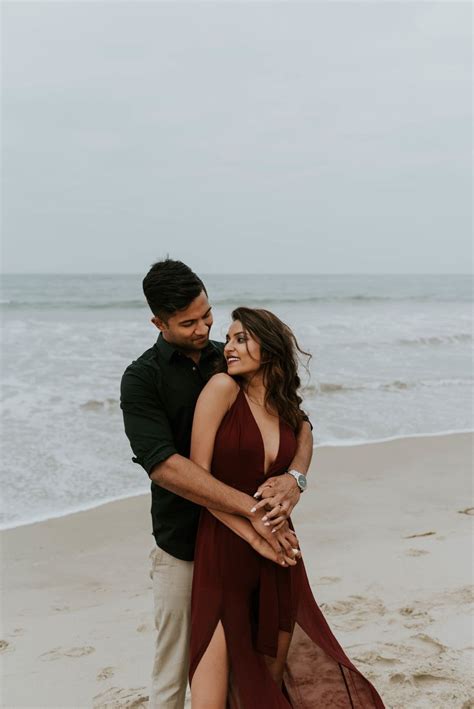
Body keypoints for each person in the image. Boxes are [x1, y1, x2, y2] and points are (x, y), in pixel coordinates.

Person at [120, 260, 313, 709]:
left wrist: (295, 478)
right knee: (174, 671)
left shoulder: (227, 356)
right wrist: (252, 513)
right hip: (183, 543)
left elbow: (297, 422)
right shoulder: (142, 378)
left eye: (207, 315)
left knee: (255, 662)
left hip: (249, 543)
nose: (204, 328)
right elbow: (166, 467)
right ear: (158, 322)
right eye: (189, 323)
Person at [188, 307, 386, 708]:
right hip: (224, 549)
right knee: (211, 690)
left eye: (240, 338)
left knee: (268, 683)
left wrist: (297, 478)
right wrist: (253, 526)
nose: (228, 347)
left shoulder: (288, 410)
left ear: (270, 347)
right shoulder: (222, 390)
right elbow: (198, 481)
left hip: (281, 554)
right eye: (227, 338)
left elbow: (305, 436)